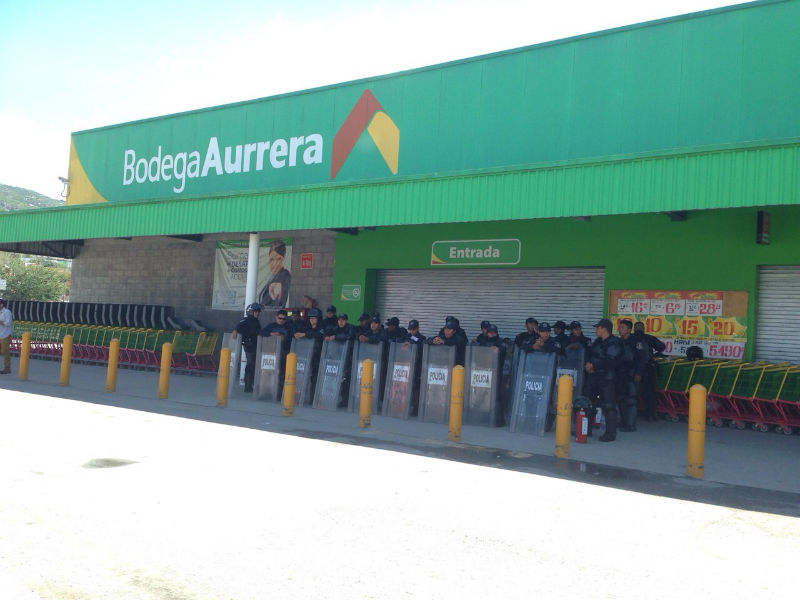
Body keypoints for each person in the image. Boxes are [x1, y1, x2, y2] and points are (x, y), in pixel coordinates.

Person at [584, 318, 622, 442]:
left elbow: (610, 360)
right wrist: (588, 365)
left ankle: (610, 434)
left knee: (609, 405)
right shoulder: (598, 341)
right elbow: (590, 354)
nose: (596, 330)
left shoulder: (613, 343)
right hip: (594, 377)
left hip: (607, 378)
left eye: (598, 327)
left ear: (604, 329)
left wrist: (594, 366)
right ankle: (586, 429)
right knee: (588, 402)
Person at [617, 319, 649, 431]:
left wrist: (639, 373)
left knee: (631, 400)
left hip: (632, 374)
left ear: (629, 330)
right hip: (621, 374)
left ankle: (630, 425)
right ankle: (623, 422)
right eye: (620, 327)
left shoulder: (636, 342)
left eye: (622, 327)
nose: (620, 329)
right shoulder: (619, 341)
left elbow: (642, 359)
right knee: (621, 398)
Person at [633, 321, 666, 421]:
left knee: (632, 393)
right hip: (648, 368)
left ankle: (633, 414)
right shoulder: (649, 338)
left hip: (634, 369)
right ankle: (650, 415)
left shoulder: (631, 338)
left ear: (634, 329)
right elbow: (661, 346)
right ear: (643, 329)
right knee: (649, 393)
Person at [231, 303, 261, 393]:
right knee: (250, 364)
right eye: (256, 311)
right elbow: (239, 325)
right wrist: (235, 330)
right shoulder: (247, 319)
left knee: (253, 364)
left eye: (258, 311)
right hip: (249, 345)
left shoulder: (256, 321)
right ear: (251, 311)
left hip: (255, 345)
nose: (257, 313)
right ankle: (248, 386)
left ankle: (250, 385)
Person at [258, 239, 291, 308]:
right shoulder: (271, 277)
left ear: (284, 258)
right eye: (272, 259)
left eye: (279, 259)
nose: (275, 264)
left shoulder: (284, 275)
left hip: (276, 312)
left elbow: (278, 297)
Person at [0, 299, 13, 374]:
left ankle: (7, 368)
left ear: (1, 305)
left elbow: (8, 323)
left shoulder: (7, 312)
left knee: (5, 352)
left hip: (5, 335)